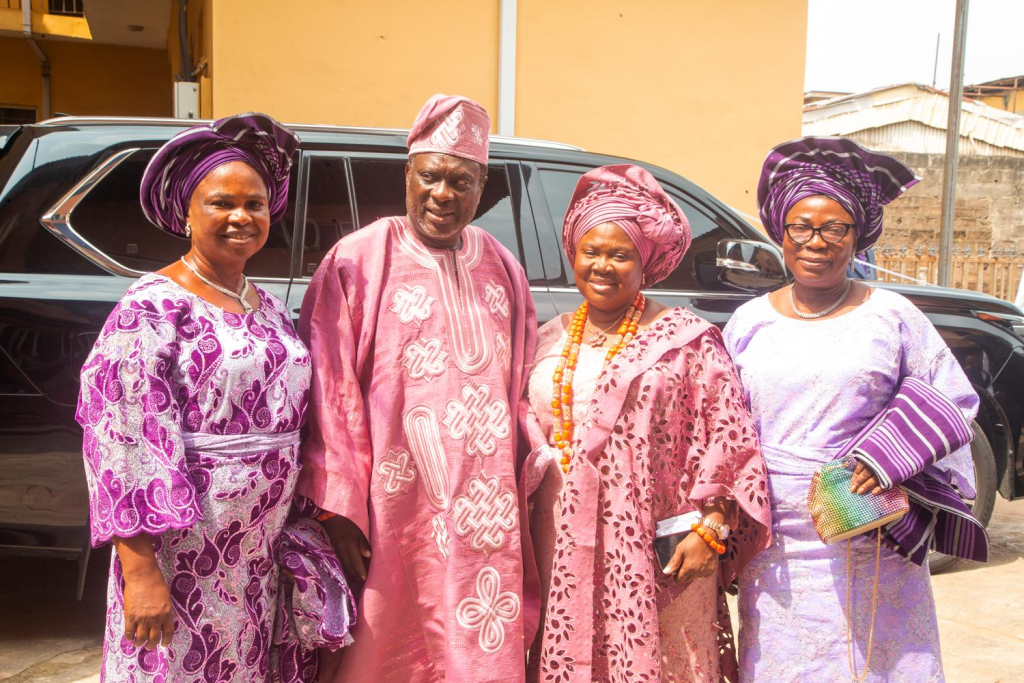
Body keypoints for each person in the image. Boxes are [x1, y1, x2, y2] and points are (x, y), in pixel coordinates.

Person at [76, 113, 353, 682]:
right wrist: (140, 572)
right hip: (182, 553)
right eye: (221, 203)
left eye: (255, 204)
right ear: (187, 213)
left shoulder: (266, 306)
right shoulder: (150, 308)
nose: (240, 217)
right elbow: (122, 443)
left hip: (256, 556)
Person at [724, 136, 988, 681]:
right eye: (801, 226)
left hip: (870, 533)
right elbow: (722, 423)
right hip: (776, 547)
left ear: (858, 236)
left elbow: (953, 399)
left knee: (875, 662)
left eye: (835, 228)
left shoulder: (891, 315)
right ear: (780, 232)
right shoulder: (749, 322)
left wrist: (890, 456)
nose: (816, 242)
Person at [297, 94, 538, 682]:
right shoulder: (359, 258)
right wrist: (338, 508)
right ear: (408, 173)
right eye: (430, 176)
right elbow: (328, 386)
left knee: (481, 634)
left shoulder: (502, 264)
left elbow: (524, 384)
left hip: (486, 511)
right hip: (391, 505)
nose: (443, 194)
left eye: (461, 181)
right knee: (384, 640)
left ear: (481, 188)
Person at [522, 164, 772, 682]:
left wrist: (712, 528)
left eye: (621, 255)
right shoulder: (548, 337)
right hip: (560, 542)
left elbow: (729, 438)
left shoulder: (687, 339)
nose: (602, 266)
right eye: (591, 251)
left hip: (658, 549)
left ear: (645, 262)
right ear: (573, 254)